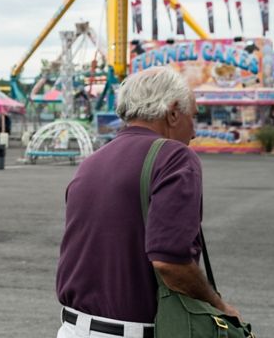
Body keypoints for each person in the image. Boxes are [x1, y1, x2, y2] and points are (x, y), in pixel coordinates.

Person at [55, 68, 240, 337]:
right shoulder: (175, 157)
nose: (194, 132)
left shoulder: (92, 162)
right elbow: (170, 262)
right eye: (194, 116)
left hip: (73, 327)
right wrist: (219, 306)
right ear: (174, 112)